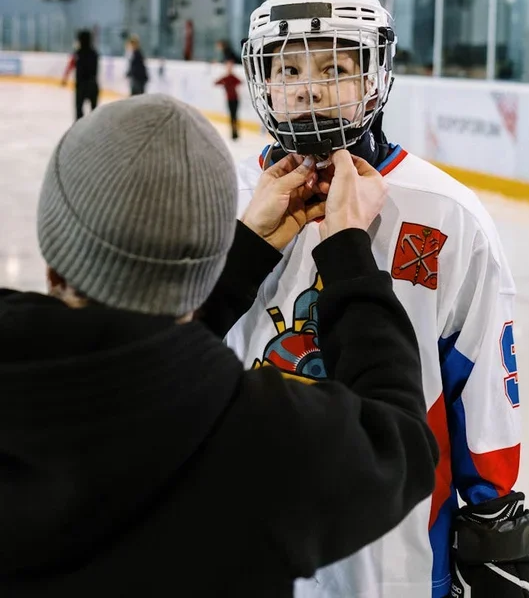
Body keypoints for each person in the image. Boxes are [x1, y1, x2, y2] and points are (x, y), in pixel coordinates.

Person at [0, 94, 439, 597]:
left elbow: (128, 374)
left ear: (54, 258)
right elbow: (398, 441)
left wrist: (245, 253)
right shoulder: (261, 439)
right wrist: (348, 254)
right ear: (205, 267)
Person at [231, 0, 529, 598]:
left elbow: (481, 389)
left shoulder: (445, 214)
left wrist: (492, 521)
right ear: (263, 80)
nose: (310, 90)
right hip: (246, 537)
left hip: (391, 557)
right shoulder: (222, 199)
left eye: (337, 67)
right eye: (288, 71)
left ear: (375, 76)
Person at [61, 29, 99, 121]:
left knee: (79, 113)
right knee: (94, 113)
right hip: (93, 85)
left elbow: (70, 65)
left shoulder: (77, 53)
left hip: (81, 86)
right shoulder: (94, 53)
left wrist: (65, 78)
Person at [215, 59, 242, 139]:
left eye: (231, 66)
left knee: (235, 116)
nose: (229, 68)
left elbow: (240, 82)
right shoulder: (225, 78)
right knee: (232, 116)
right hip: (229, 99)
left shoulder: (233, 77)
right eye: (228, 66)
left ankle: (235, 133)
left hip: (236, 99)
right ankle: (233, 133)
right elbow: (216, 82)